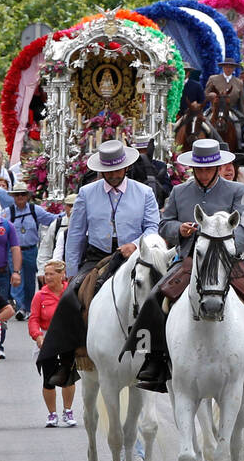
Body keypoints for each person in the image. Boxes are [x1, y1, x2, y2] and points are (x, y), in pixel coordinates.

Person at [128, 137, 244, 393]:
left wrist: (224, 240)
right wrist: (179, 228)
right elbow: (163, 224)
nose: (202, 174)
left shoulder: (239, 192)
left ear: (216, 167)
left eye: (207, 169)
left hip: (232, 262)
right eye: (198, 169)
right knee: (156, 296)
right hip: (190, 261)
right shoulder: (180, 192)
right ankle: (154, 359)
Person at [39, 138, 160, 389]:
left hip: (135, 255)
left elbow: (152, 227)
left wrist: (136, 244)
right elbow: (75, 234)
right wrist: (71, 272)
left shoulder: (144, 192)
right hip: (97, 256)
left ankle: (158, 357)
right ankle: (67, 359)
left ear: (126, 167)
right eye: (108, 171)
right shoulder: (86, 193)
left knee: (158, 294)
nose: (114, 175)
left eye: (118, 170)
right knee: (70, 297)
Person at [29, 261, 76, 428]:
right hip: (48, 338)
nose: (47, 277)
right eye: (46, 274)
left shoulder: (70, 292)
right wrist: (37, 336)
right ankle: (52, 414)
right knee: (48, 378)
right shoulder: (40, 296)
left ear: (61, 275)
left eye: (51, 274)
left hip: (67, 337)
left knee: (68, 376)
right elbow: (34, 319)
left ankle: (68, 411)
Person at [4, 182, 58, 319]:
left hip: (31, 250)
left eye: (23, 194)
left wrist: (69, 212)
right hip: (14, 251)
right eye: (17, 195)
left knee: (29, 281)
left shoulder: (35, 210)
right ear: (13, 197)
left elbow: (52, 220)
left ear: (27, 196)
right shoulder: (7, 212)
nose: (20, 197)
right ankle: (20, 307)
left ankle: (27, 308)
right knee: (17, 279)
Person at [204, 58, 244, 131]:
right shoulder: (213, 79)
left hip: (230, 110)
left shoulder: (239, 82)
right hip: (215, 110)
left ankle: (238, 142)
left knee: (237, 129)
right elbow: (205, 95)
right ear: (223, 67)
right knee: (205, 126)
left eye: (230, 67)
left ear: (234, 69)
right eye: (226, 67)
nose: (228, 69)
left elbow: (241, 102)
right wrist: (210, 95)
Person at [37, 194, 76, 274]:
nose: (73, 208)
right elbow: (46, 248)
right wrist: (42, 271)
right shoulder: (57, 224)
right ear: (65, 207)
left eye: (75, 205)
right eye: (70, 205)